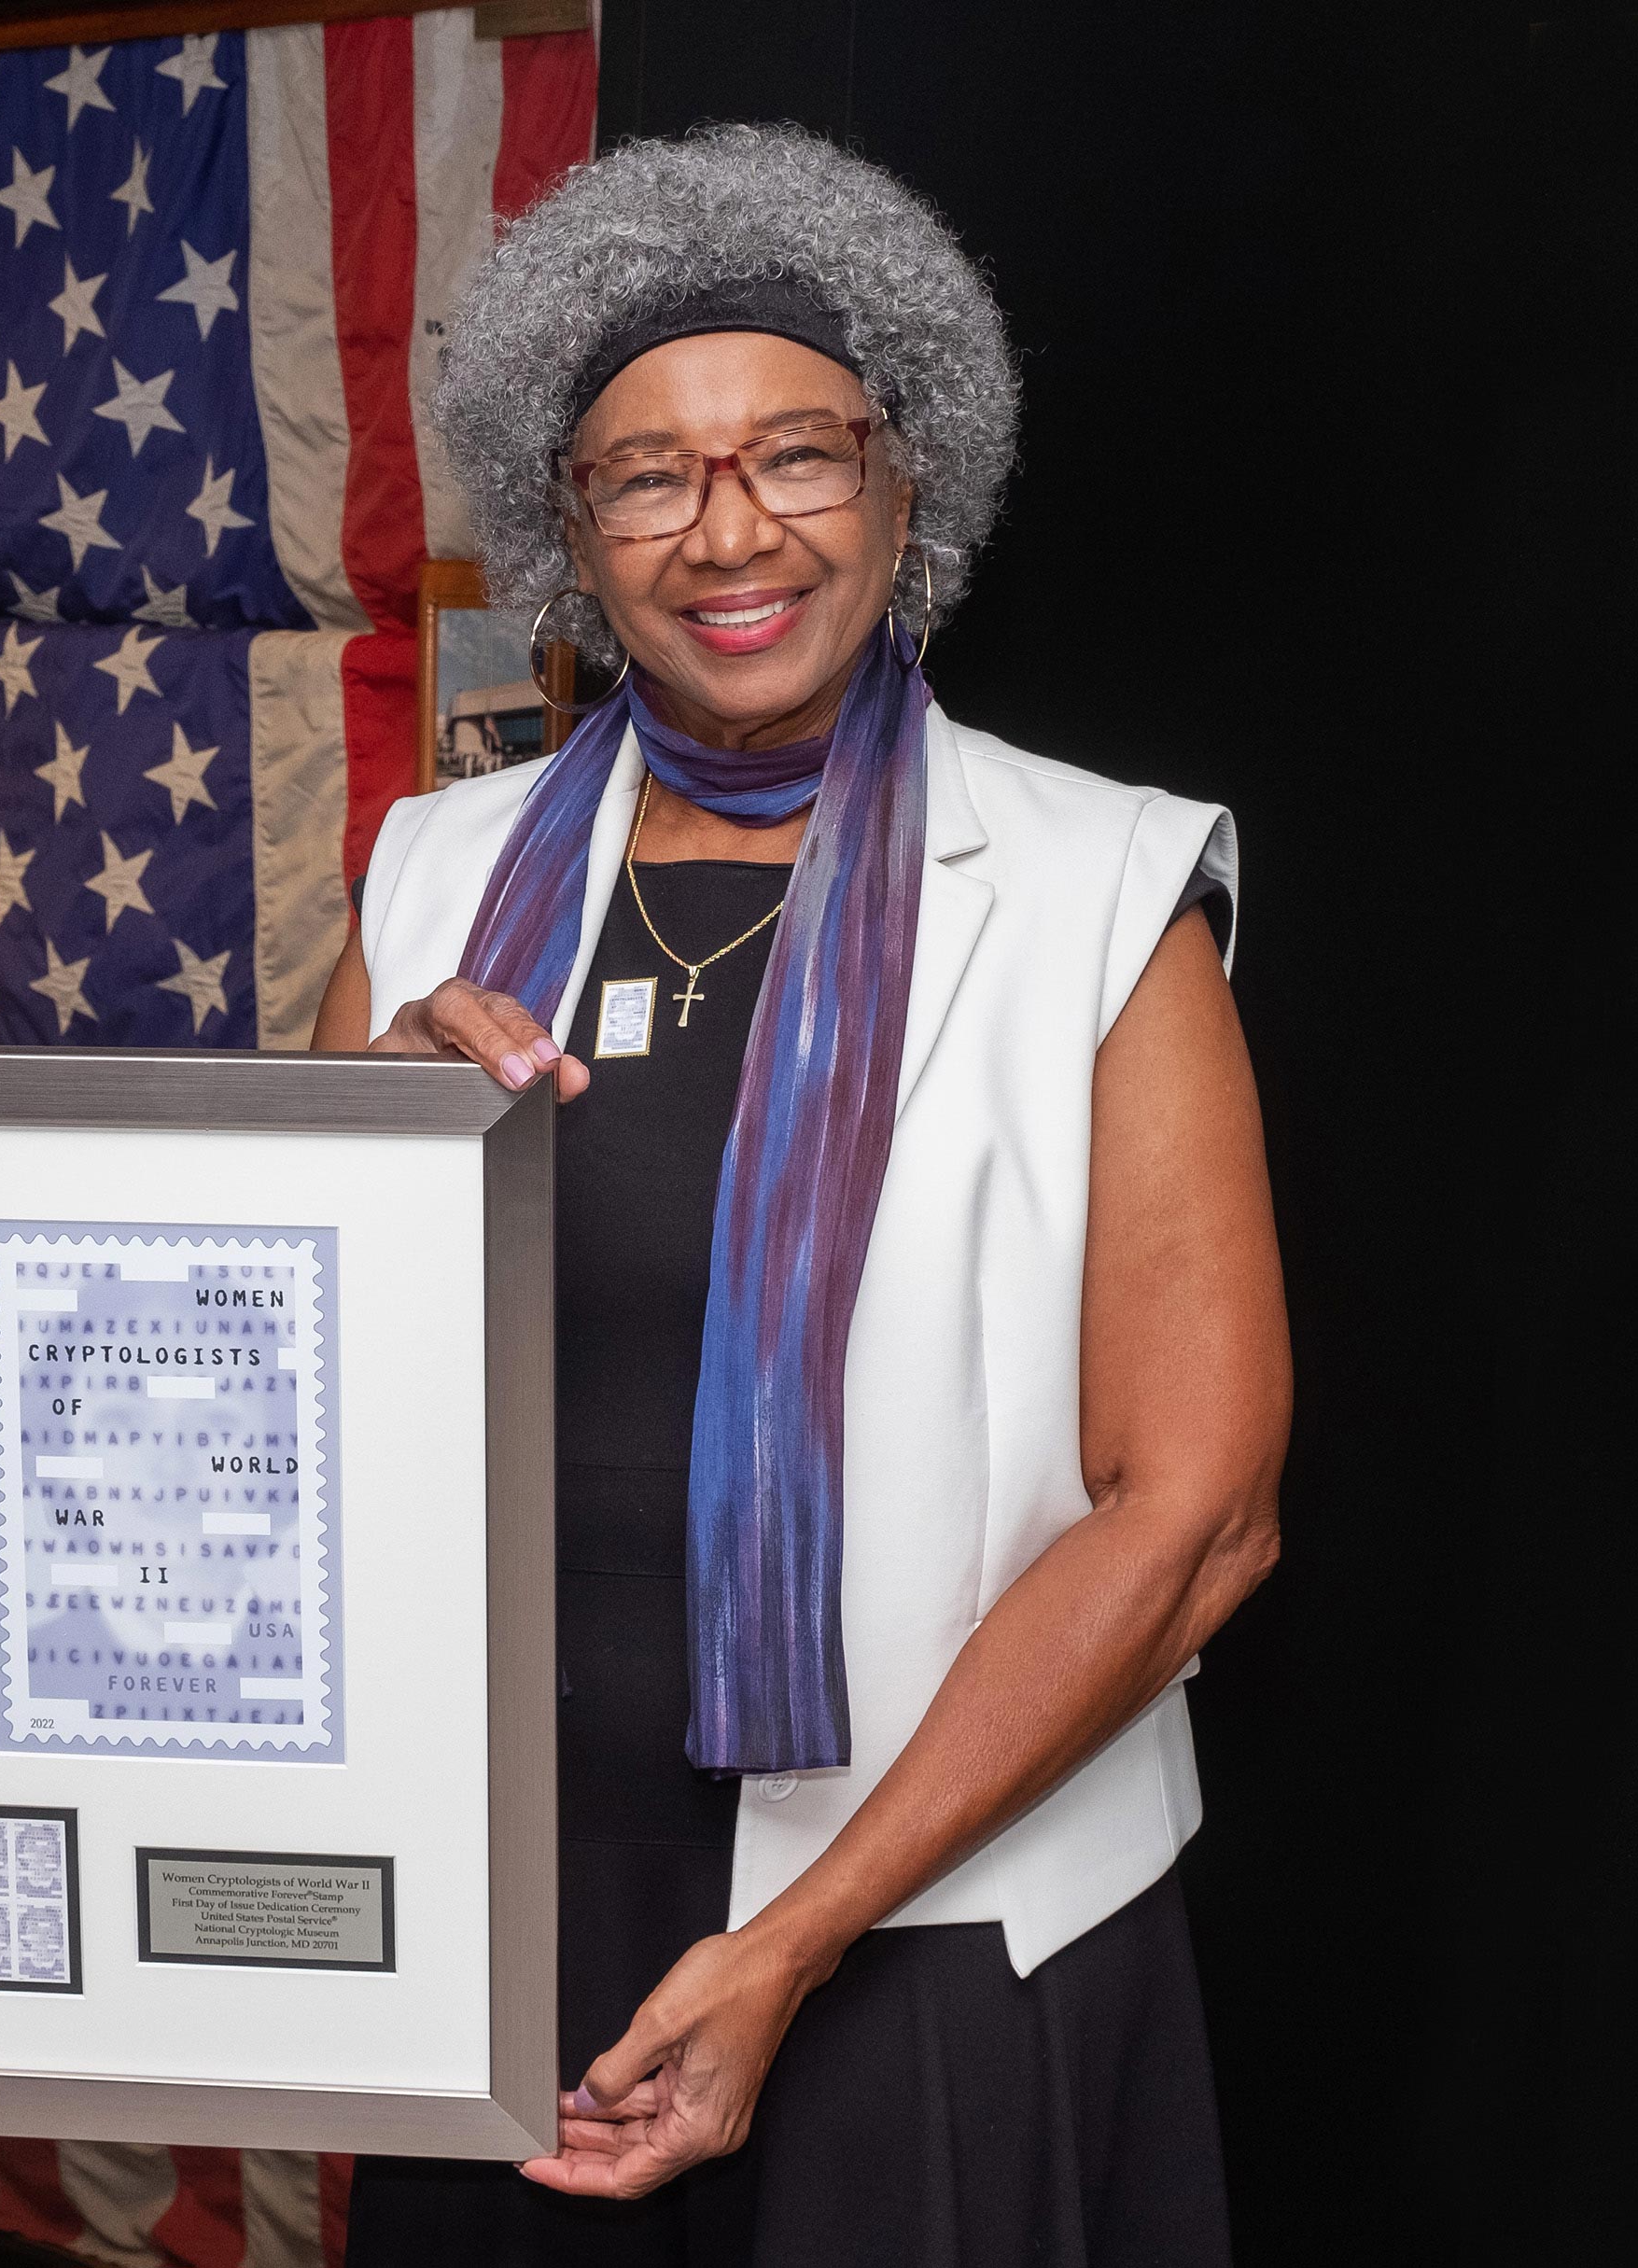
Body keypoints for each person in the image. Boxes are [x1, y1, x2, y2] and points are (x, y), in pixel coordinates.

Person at [315, 125, 1289, 2265]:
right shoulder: (430, 875)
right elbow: (283, 1406)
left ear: (907, 478)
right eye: (646, 474)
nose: (726, 529)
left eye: (799, 455)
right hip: (506, 1909)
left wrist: (800, 1944)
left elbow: (1199, 1515)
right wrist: (360, 1135)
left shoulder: (1100, 892)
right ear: (574, 531)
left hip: (934, 1925)